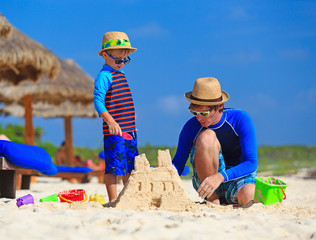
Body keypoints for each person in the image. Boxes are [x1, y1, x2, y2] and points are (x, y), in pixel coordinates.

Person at [172, 77, 258, 206]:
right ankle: (213, 201)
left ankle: (229, 200)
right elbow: (177, 166)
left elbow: (251, 163)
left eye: (204, 113)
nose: (199, 117)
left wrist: (219, 177)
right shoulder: (191, 126)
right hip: (206, 183)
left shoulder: (240, 119)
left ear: (220, 107)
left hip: (236, 176)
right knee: (207, 136)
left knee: (250, 195)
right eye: (194, 112)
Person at [94, 31, 139, 202]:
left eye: (125, 60)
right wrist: (110, 121)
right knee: (114, 167)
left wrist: (133, 127)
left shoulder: (121, 75)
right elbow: (98, 102)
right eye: (118, 60)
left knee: (129, 167)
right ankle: (113, 200)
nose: (122, 63)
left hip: (129, 130)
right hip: (115, 130)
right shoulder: (104, 76)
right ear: (105, 55)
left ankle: (127, 198)